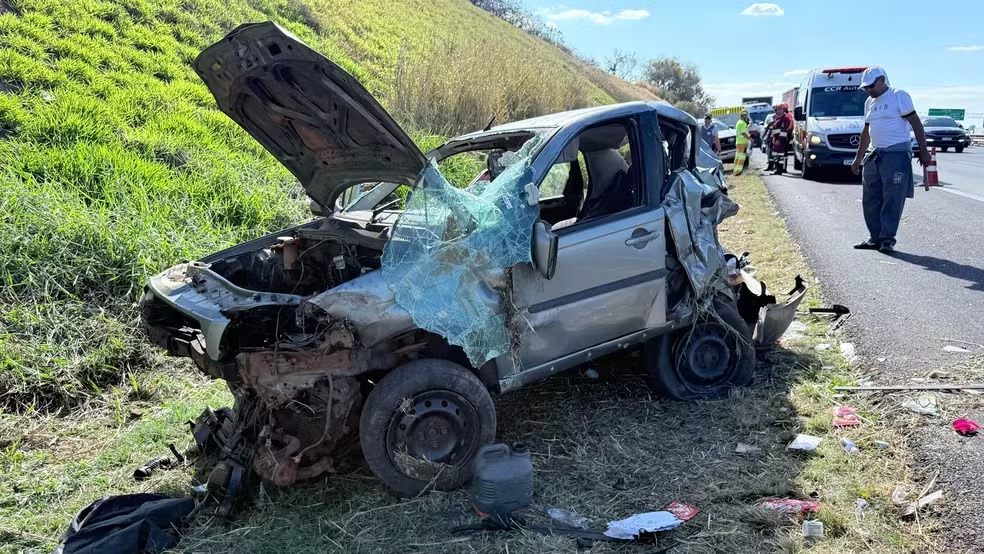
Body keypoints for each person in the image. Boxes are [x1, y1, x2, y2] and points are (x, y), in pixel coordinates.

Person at [850, 67, 931, 253]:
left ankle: (887, 239)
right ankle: (874, 238)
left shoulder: (898, 95)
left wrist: (924, 151)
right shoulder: (869, 102)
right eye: (865, 88)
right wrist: (858, 158)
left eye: (871, 86)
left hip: (896, 153)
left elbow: (916, 123)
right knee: (870, 198)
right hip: (874, 153)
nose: (868, 90)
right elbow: (866, 132)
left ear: (881, 80)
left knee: (892, 198)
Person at [767, 103, 794, 172]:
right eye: (777, 109)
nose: (777, 111)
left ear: (783, 110)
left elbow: (783, 130)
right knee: (777, 154)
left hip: (781, 140)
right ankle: (777, 169)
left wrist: (779, 139)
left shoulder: (785, 118)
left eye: (778, 109)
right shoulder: (778, 117)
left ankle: (779, 170)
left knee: (780, 154)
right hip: (776, 139)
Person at [733, 110, 751, 175]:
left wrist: (749, 126)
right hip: (742, 143)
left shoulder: (739, 122)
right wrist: (749, 138)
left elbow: (744, 130)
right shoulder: (742, 123)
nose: (746, 117)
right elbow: (743, 133)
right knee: (742, 157)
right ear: (744, 116)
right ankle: (738, 171)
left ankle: (735, 169)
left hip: (739, 142)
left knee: (738, 156)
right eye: (746, 116)